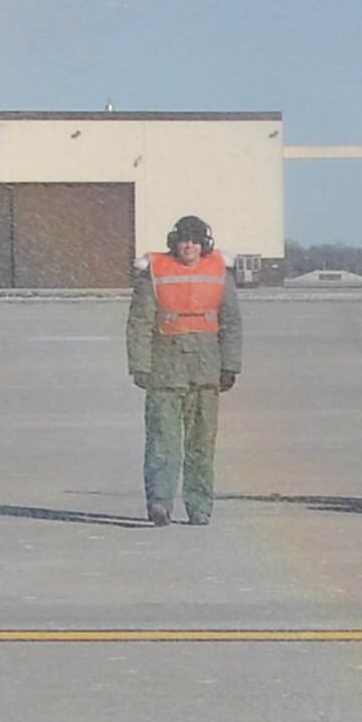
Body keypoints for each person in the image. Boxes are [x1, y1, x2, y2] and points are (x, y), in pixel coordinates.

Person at [126, 215, 242, 525]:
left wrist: (230, 365)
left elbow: (231, 322)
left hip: (206, 372)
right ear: (173, 242)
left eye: (194, 239)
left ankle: (200, 505)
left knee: (201, 445)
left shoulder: (220, 272)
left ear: (204, 243)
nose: (188, 245)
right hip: (164, 371)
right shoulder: (153, 273)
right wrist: (139, 365)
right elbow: (139, 323)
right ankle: (159, 503)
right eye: (183, 239)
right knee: (163, 442)